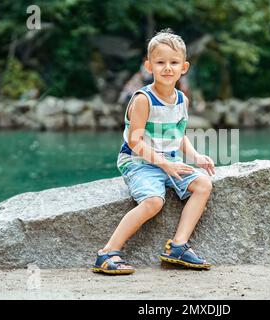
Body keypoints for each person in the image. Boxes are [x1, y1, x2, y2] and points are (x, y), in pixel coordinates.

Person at [92, 29, 216, 275]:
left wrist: (196, 157)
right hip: (140, 163)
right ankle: (107, 253)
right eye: (160, 62)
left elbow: (177, 136)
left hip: (169, 161)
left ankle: (178, 246)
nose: (167, 68)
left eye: (174, 62)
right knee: (153, 202)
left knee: (203, 184)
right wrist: (164, 165)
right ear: (149, 66)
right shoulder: (143, 99)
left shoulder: (182, 100)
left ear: (184, 67)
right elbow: (136, 142)